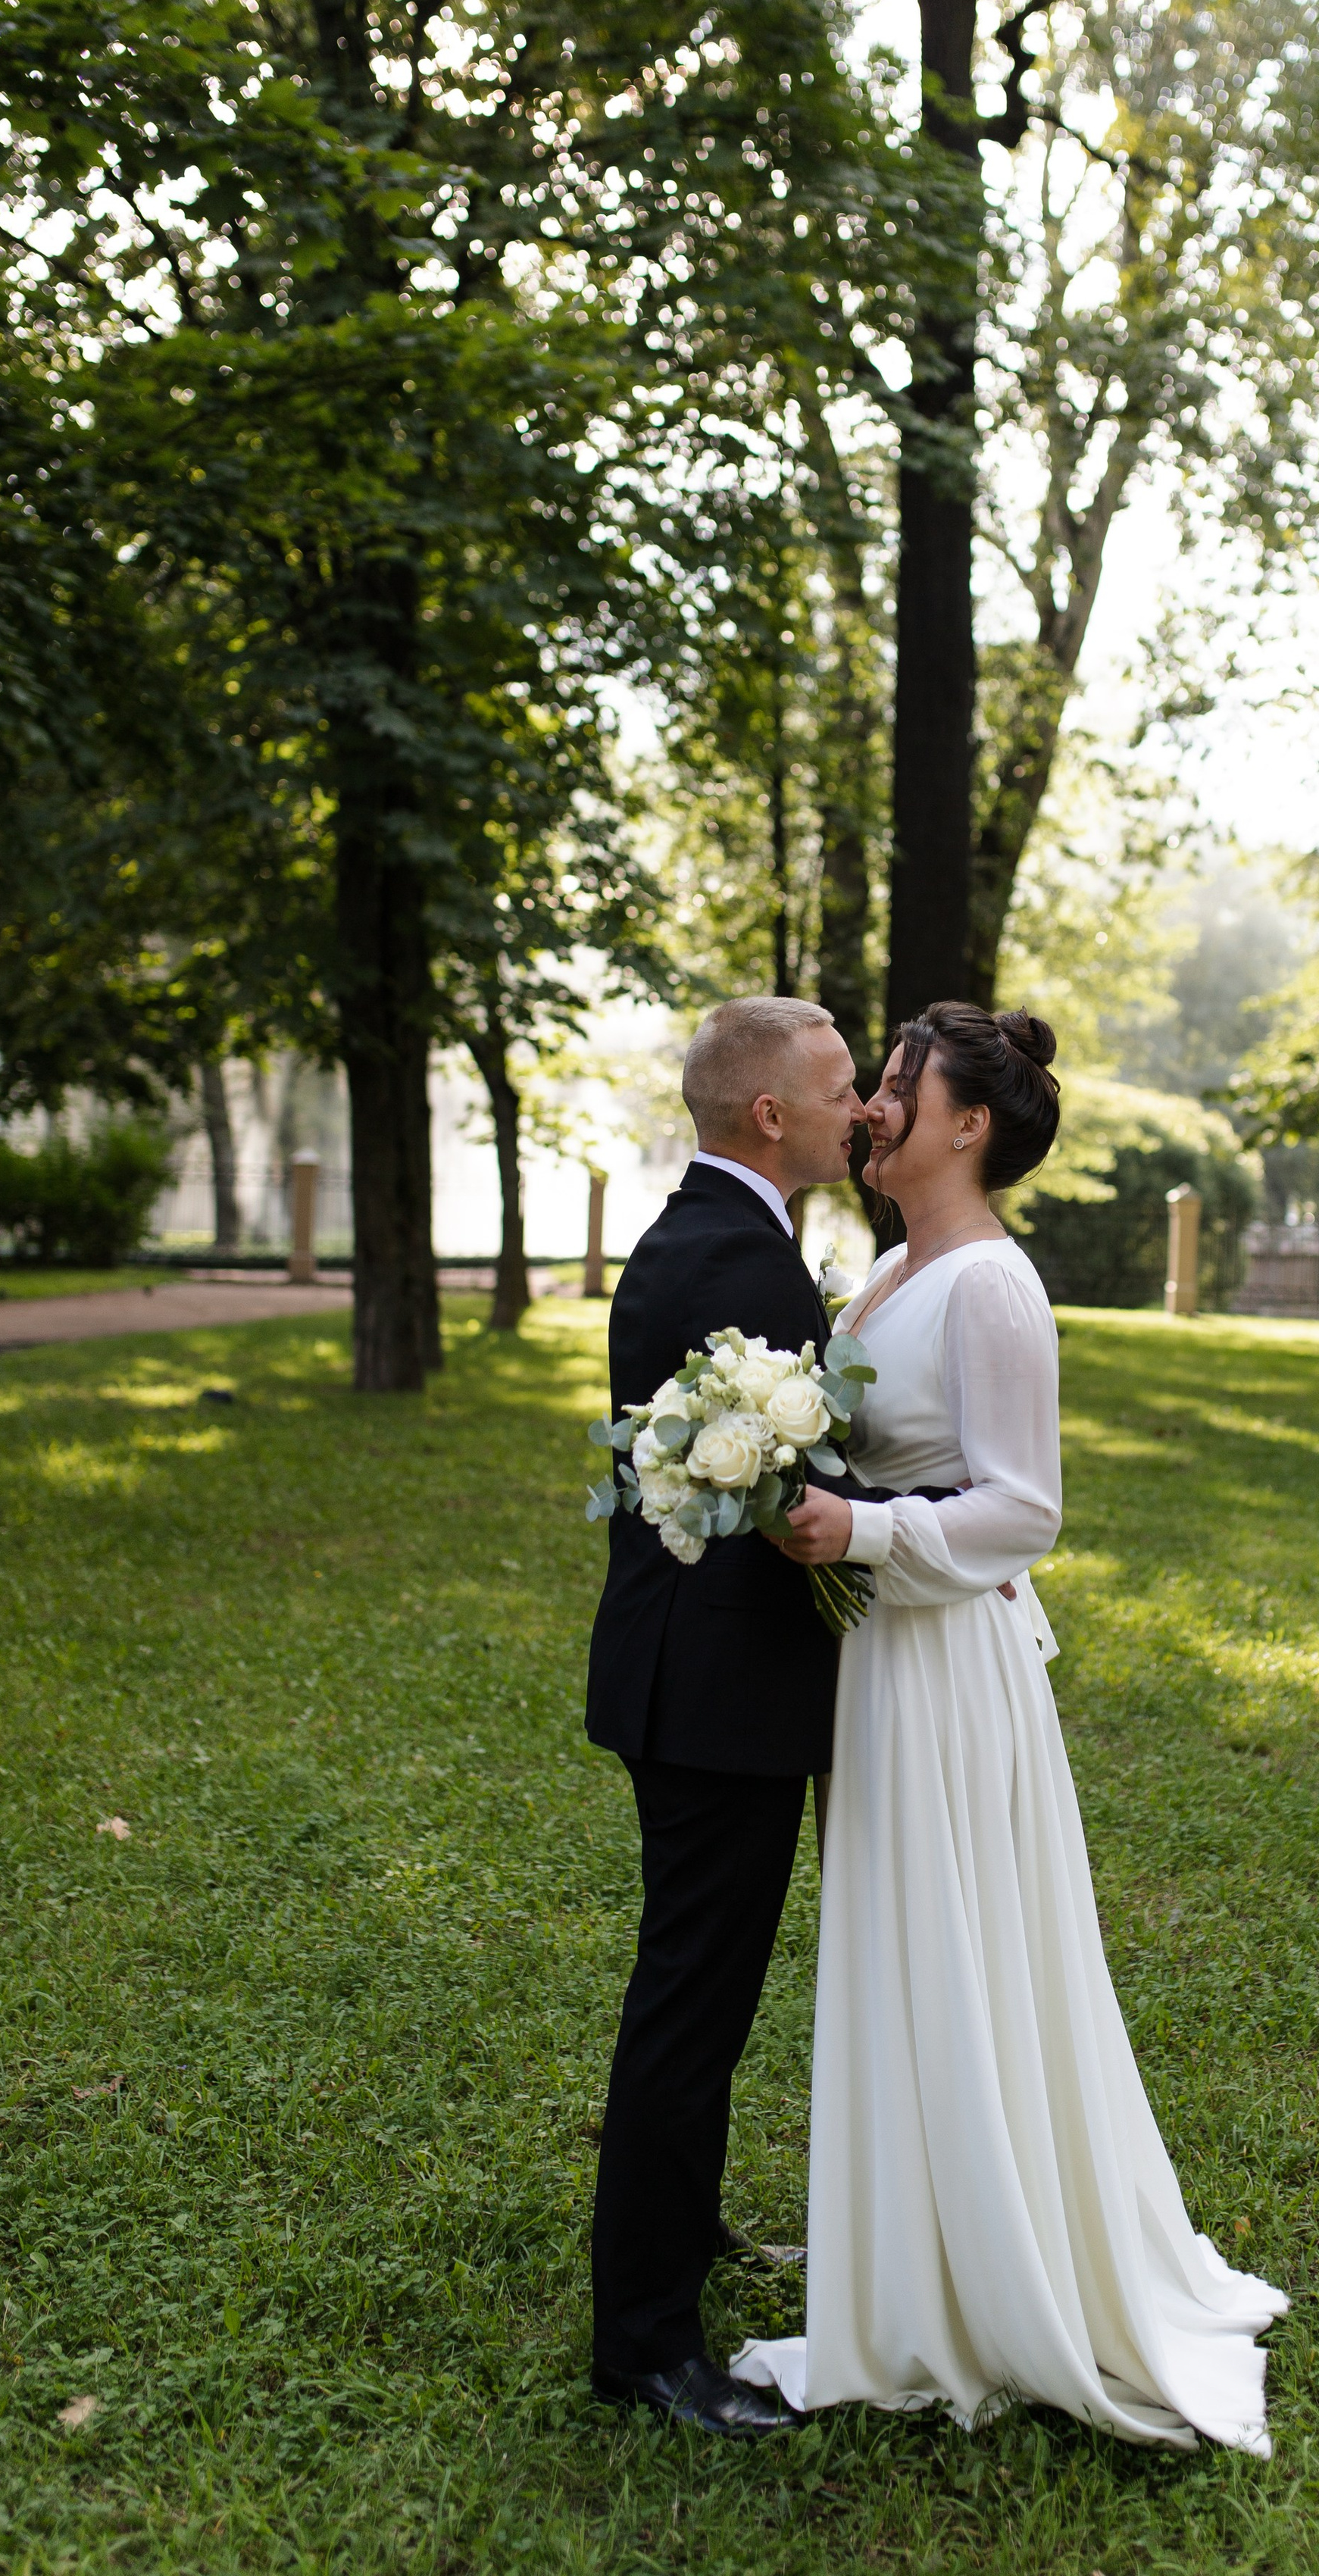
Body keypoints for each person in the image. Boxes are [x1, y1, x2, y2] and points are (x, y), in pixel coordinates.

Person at [732, 1002, 1289, 2452]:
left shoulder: (991, 1287)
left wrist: (858, 1525)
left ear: (967, 1126)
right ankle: (906, 2255)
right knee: (903, 1948)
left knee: (957, 1947)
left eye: (898, 1089)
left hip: (944, 1666)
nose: (872, 1111)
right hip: (874, 1661)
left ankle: (987, 2271)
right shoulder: (886, 1273)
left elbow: (1024, 1507)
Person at [585, 995, 866, 2440]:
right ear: (770, 1115)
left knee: (705, 1995)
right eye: (838, 1084)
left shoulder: (720, 1233)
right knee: (692, 2009)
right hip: (712, 1697)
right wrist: (928, 1532)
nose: (861, 1102)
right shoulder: (728, 1256)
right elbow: (778, 1487)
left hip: (698, 1681)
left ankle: (680, 2239)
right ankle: (642, 2343)